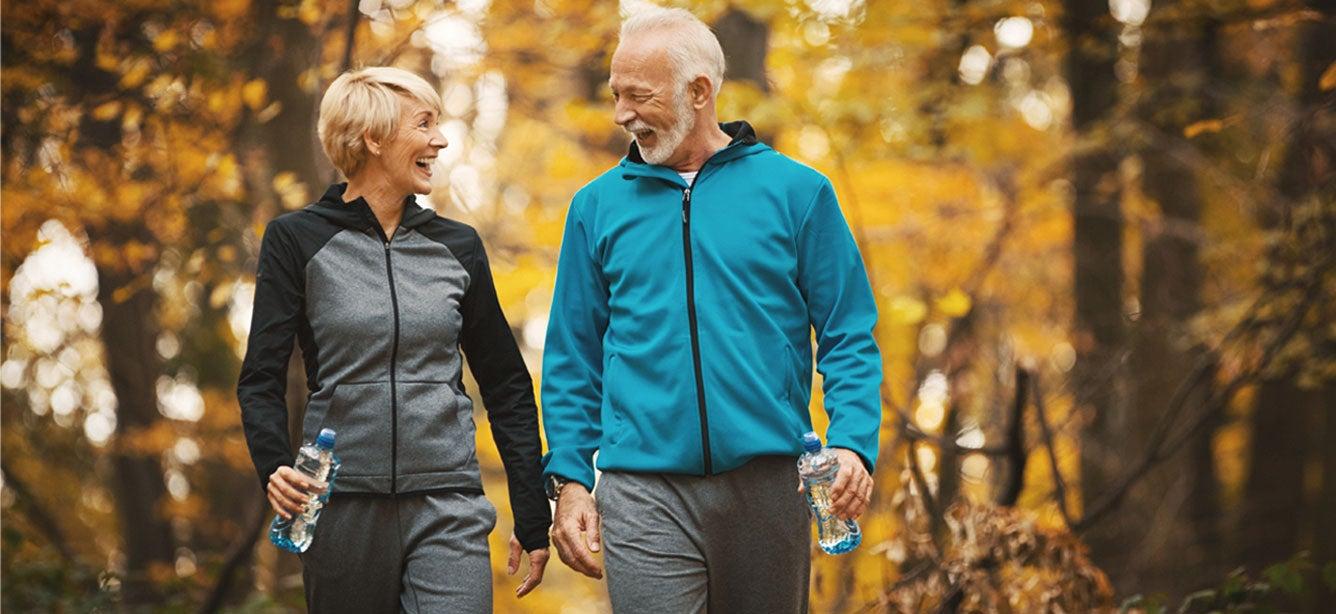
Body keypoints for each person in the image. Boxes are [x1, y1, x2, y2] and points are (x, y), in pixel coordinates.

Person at [540, 6, 883, 613]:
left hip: (771, 482)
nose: (623, 114)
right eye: (617, 95)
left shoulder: (798, 193)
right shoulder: (595, 207)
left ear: (699, 91)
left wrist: (852, 441)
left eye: (639, 96)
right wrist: (569, 478)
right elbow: (573, 357)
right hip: (642, 489)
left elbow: (848, 333)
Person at [237, 66, 549, 613]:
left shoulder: (458, 246)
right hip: (339, 502)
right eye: (424, 124)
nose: (441, 139)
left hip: (447, 499)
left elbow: (505, 383)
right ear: (374, 137)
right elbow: (260, 377)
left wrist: (530, 507)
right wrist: (274, 466)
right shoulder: (297, 240)